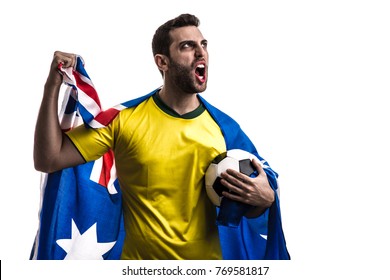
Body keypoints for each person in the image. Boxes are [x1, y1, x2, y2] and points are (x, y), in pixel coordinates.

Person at [34, 13, 287, 260]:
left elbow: (251, 203)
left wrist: (266, 199)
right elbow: (49, 159)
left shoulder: (225, 129)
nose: (201, 53)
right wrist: (51, 87)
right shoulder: (123, 120)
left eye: (203, 45)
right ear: (162, 62)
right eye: (187, 46)